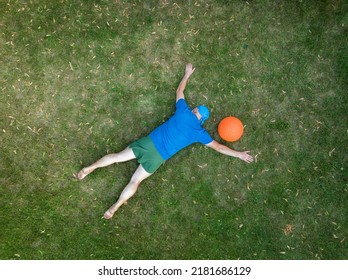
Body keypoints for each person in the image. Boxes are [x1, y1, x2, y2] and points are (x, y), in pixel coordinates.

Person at [76, 63, 254, 219]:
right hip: (158, 157)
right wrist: (238, 154)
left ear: (194, 111)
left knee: (116, 157)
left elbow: (179, 91)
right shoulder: (199, 132)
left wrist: (187, 74)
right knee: (135, 181)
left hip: (148, 143)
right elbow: (219, 147)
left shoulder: (183, 111)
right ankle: (114, 207)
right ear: (201, 119)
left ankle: (88, 169)